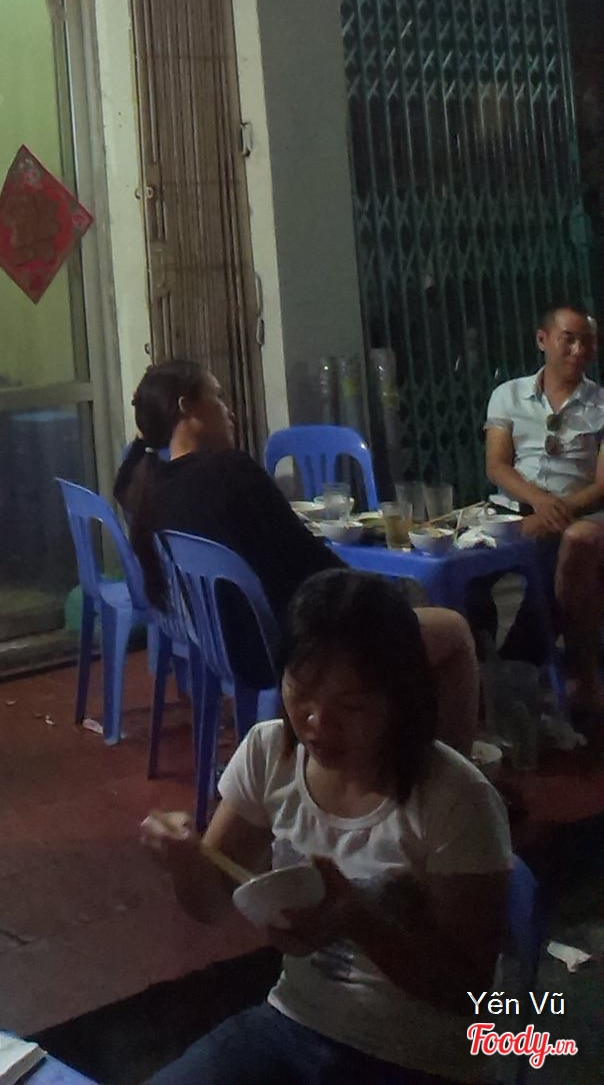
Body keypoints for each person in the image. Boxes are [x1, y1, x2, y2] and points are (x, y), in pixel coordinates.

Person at [141, 570, 510, 1084]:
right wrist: (185, 860)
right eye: (301, 692)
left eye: (351, 706)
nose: (317, 724)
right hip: (295, 1021)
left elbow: (470, 995)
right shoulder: (269, 753)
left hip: (418, 1057)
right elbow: (209, 903)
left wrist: (360, 920)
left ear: (400, 699)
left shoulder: (456, 798)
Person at [117, 361, 479, 753]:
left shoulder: (152, 491)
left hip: (232, 649)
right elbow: (317, 567)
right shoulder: (230, 471)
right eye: (218, 397)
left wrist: (148, 421)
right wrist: (385, 600)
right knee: (454, 630)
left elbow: (125, 481)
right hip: (303, 647)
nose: (229, 411)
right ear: (187, 407)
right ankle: (449, 779)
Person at [485, 301, 604, 714]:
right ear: (543, 340)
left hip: (581, 510)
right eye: (568, 339)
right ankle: (483, 665)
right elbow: (497, 464)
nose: (579, 350)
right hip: (516, 508)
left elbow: (602, 483)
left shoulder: (600, 402)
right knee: (467, 560)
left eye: (587, 341)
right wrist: (538, 502)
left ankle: (576, 671)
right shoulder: (508, 395)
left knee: (578, 540)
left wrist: (557, 510)